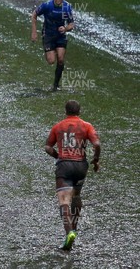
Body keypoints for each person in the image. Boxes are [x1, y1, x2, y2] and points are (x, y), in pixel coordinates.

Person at [44, 100, 101, 251]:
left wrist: (58, 156)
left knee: (64, 201)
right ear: (79, 111)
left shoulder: (58, 126)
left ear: (66, 111)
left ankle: (69, 233)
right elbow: (97, 144)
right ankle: (74, 228)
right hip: (81, 166)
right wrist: (95, 160)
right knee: (76, 196)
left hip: (64, 166)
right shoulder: (86, 126)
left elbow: (48, 147)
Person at [32, 0, 75, 91]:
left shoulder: (67, 7)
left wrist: (65, 28)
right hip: (48, 35)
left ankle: (56, 85)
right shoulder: (47, 5)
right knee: (51, 61)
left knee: (60, 59)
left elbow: (71, 24)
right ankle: (51, 50)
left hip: (60, 35)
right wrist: (34, 32)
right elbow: (34, 15)